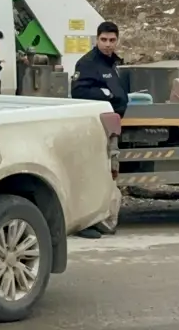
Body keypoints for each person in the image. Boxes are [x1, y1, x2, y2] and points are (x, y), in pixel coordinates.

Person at [70, 20, 128, 239]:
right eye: (104, 40)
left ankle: (101, 219)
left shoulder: (112, 62)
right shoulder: (88, 63)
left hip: (111, 126)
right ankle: (84, 223)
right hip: (95, 126)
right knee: (91, 173)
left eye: (112, 40)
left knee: (107, 174)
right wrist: (107, 95)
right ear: (97, 39)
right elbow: (79, 91)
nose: (108, 44)